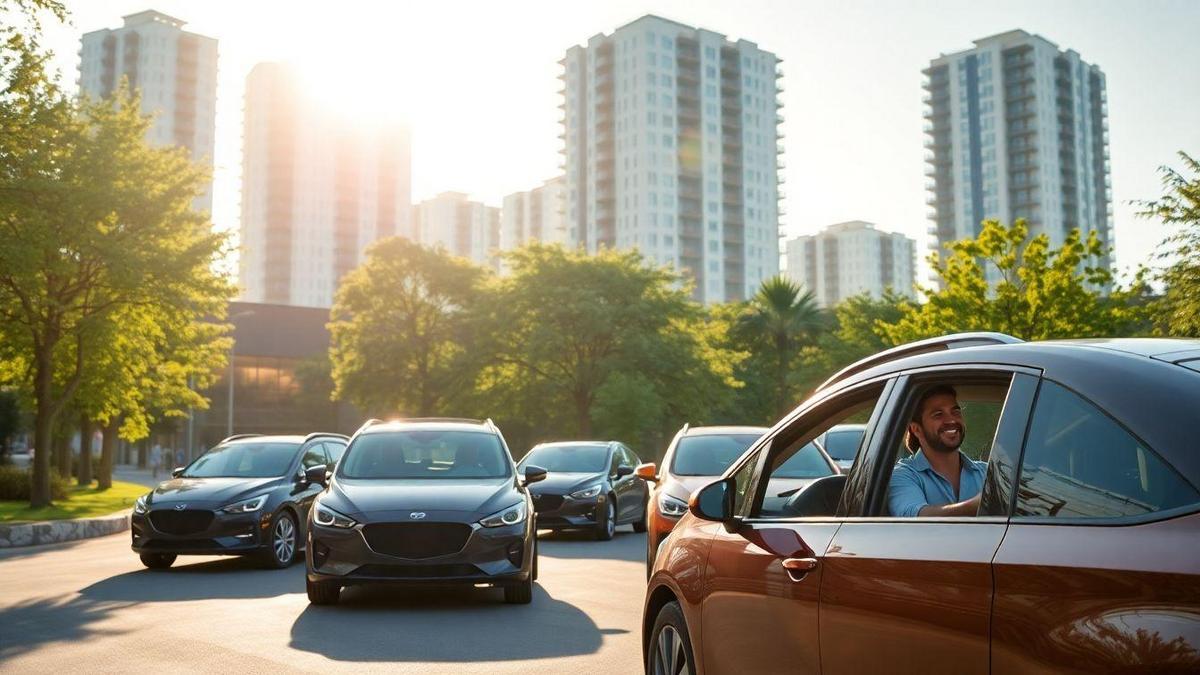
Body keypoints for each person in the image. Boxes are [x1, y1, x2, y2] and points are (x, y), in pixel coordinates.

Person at [888, 385, 986, 517]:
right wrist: (981, 504)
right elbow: (914, 518)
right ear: (916, 429)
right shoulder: (903, 475)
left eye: (955, 412)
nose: (951, 420)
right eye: (938, 415)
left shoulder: (987, 473)